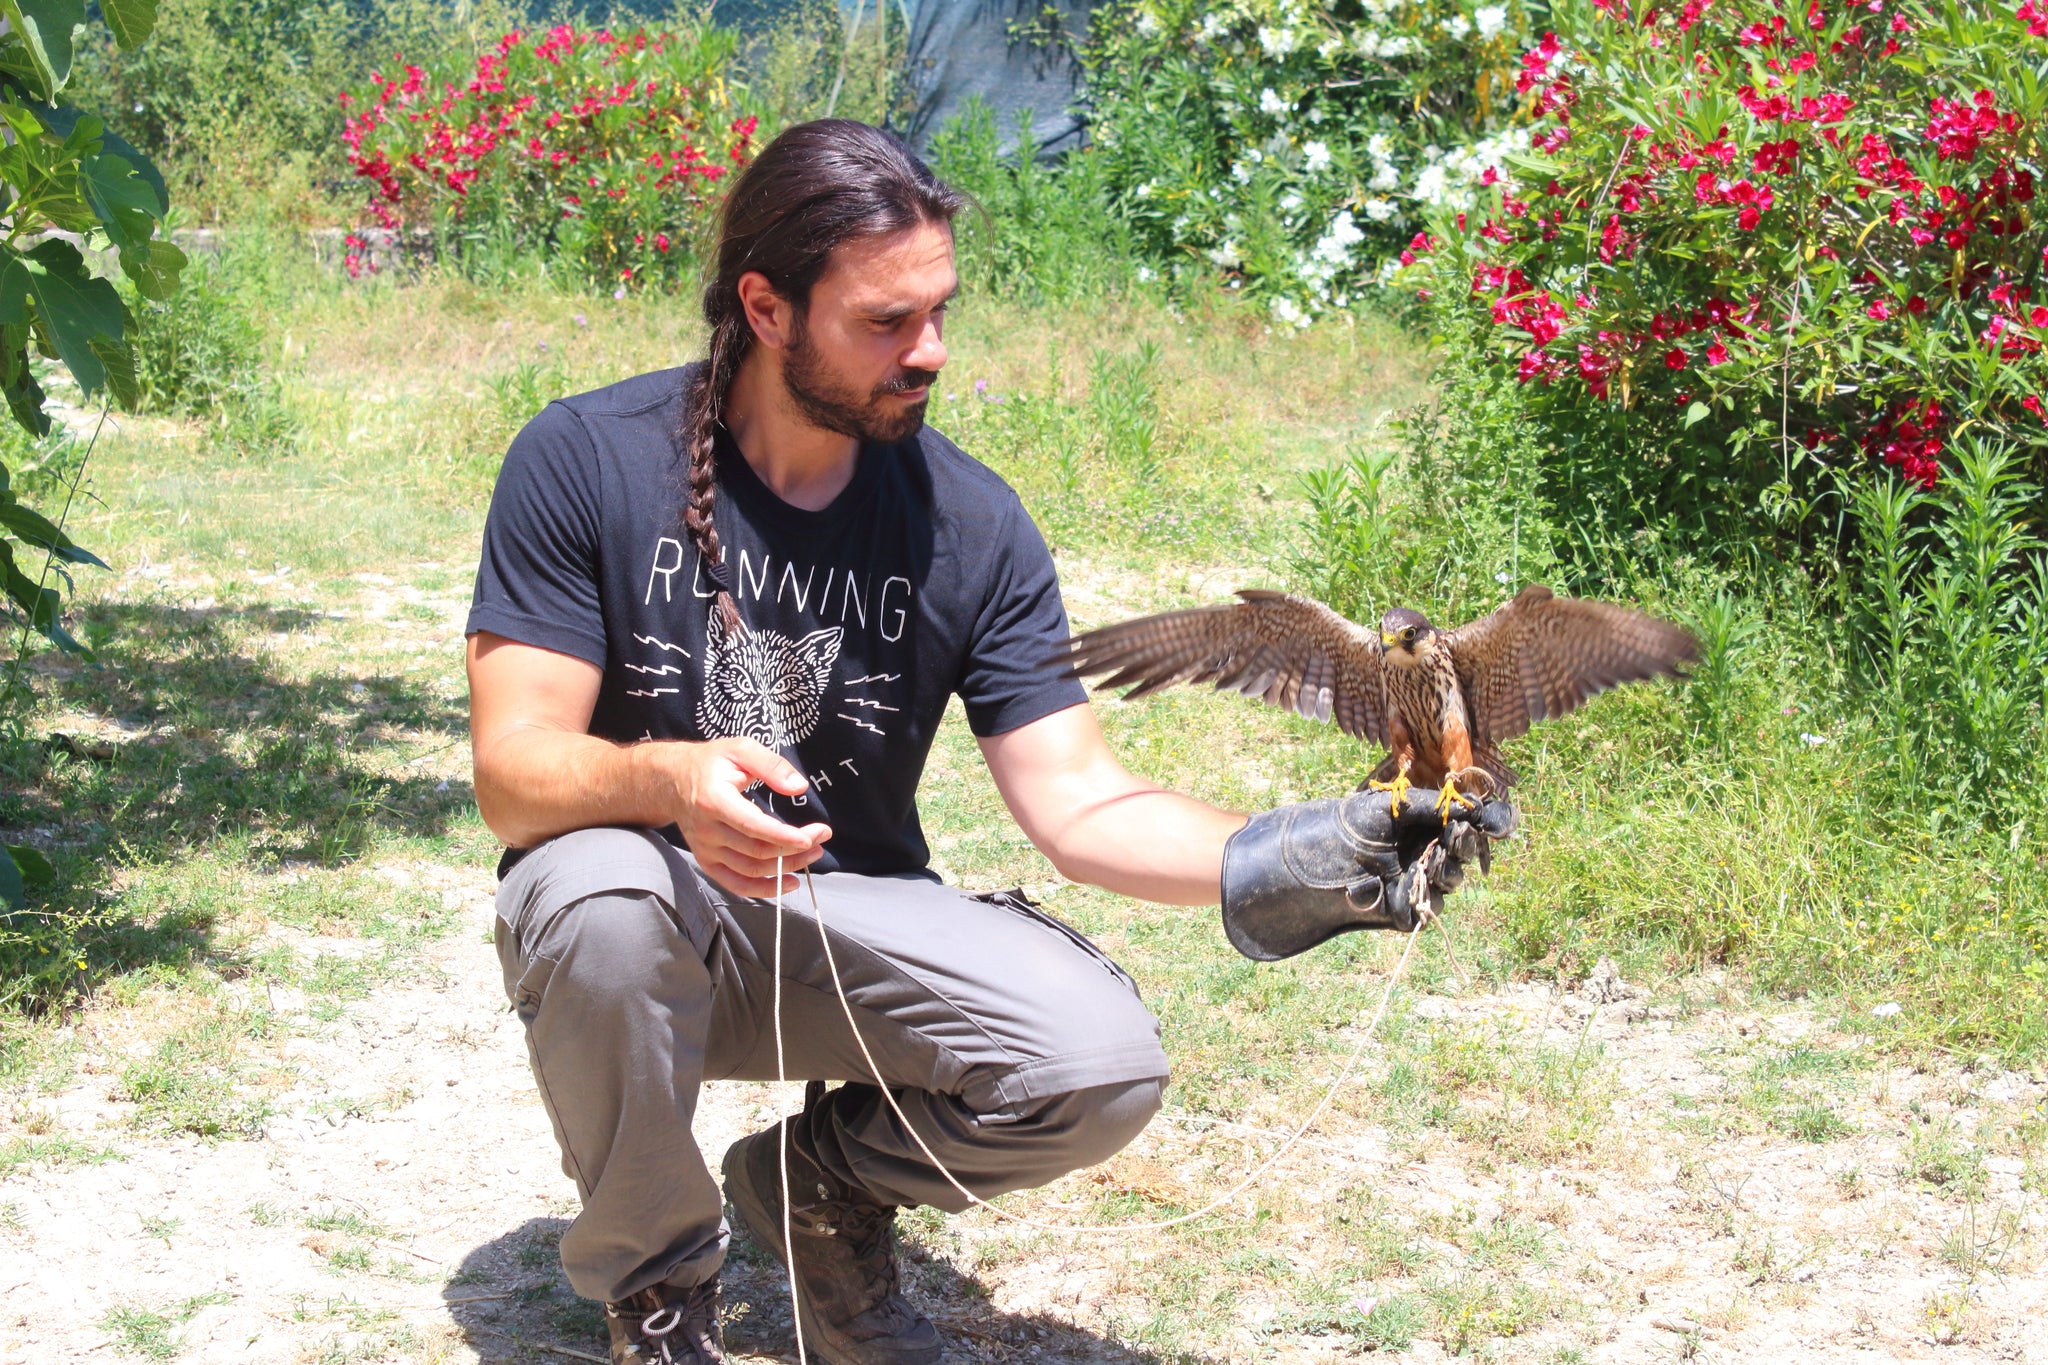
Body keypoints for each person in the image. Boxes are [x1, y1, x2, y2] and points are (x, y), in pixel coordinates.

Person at [465, 119, 1489, 1365]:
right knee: (600, 898)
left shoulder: (969, 520)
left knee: (1100, 1061)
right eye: (886, 322)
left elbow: (1078, 802)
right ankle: (660, 1296)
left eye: (940, 311)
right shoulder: (584, 460)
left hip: (841, 924)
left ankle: (817, 1192)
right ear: (766, 307)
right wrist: (665, 779)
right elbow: (514, 775)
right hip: (634, 915)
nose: (930, 352)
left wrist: (1329, 847)